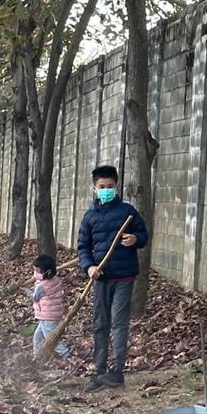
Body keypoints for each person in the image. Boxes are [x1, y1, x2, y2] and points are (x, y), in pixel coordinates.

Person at [77, 165, 148, 392]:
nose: (106, 190)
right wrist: (89, 268)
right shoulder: (90, 217)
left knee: (119, 324)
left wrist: (134, 238)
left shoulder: (128, 212)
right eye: (101, 187)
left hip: (124, 277)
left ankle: (117, 372)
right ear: (94, 188)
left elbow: (144, 236)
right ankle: (99, 372)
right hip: (101, 278)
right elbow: (83, 247)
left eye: (110, 187)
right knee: (100, 324)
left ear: (116, 186)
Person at [30, 254, 69, 359]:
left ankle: (66, 354)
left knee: (51, 339)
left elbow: (35, 298)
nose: (35, 274)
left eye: (38, 271)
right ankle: (37, 356)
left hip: (48, 316)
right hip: (51, 314)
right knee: (38, 337)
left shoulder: (42, 286)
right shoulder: (54, 279)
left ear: (47, 272)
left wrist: (25, 291)